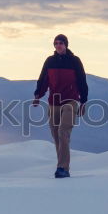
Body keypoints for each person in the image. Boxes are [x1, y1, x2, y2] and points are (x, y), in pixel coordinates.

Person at [32, 33, 88, 178]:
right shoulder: (50, 61)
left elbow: (82, 80)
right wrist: (38, 95)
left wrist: (84, 101)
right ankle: (62, 167)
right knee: (56, 135)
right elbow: (43, 79)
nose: (58, 45)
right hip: (54, 102)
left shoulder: (74, 61)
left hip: (71, 100)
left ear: (66, 45)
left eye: (61, 43)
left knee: (63, 131)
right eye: (56, 43)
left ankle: (63, 167)